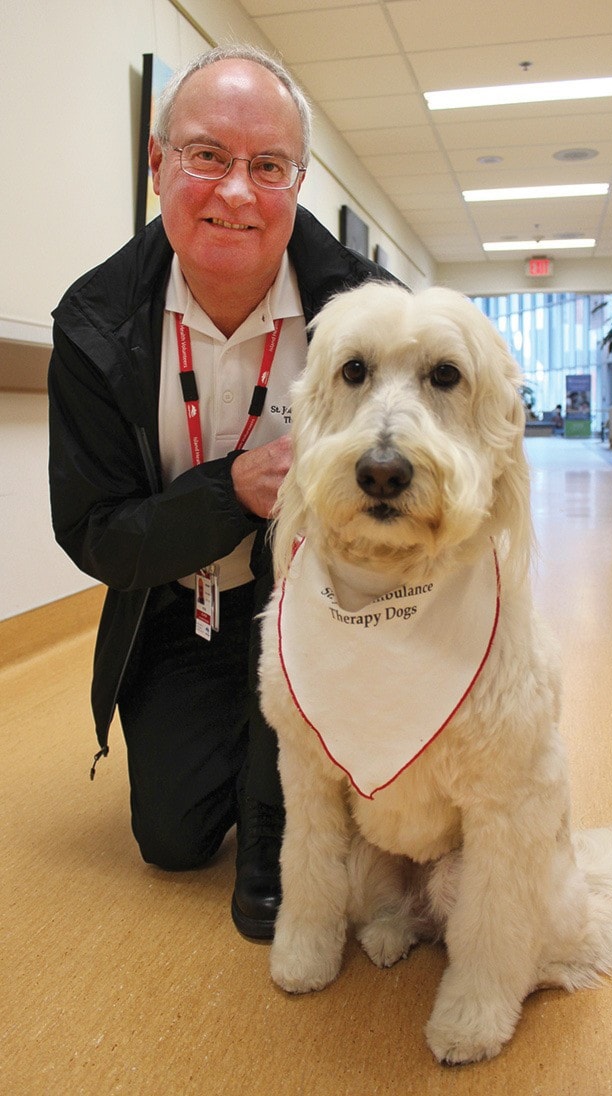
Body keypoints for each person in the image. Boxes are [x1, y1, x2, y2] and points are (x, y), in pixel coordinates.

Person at [48, 44, 396, 940]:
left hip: (327, 618)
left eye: (267, 166)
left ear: (298, 181)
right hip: (184, 604)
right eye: (206, 155)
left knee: (280, 882)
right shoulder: (95, 324)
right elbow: (95, 531)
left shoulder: (368, 310)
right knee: (170, 840)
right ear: (157, 162)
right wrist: (229, 491)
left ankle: (286, 793)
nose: (236, 192)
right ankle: (248, 749)